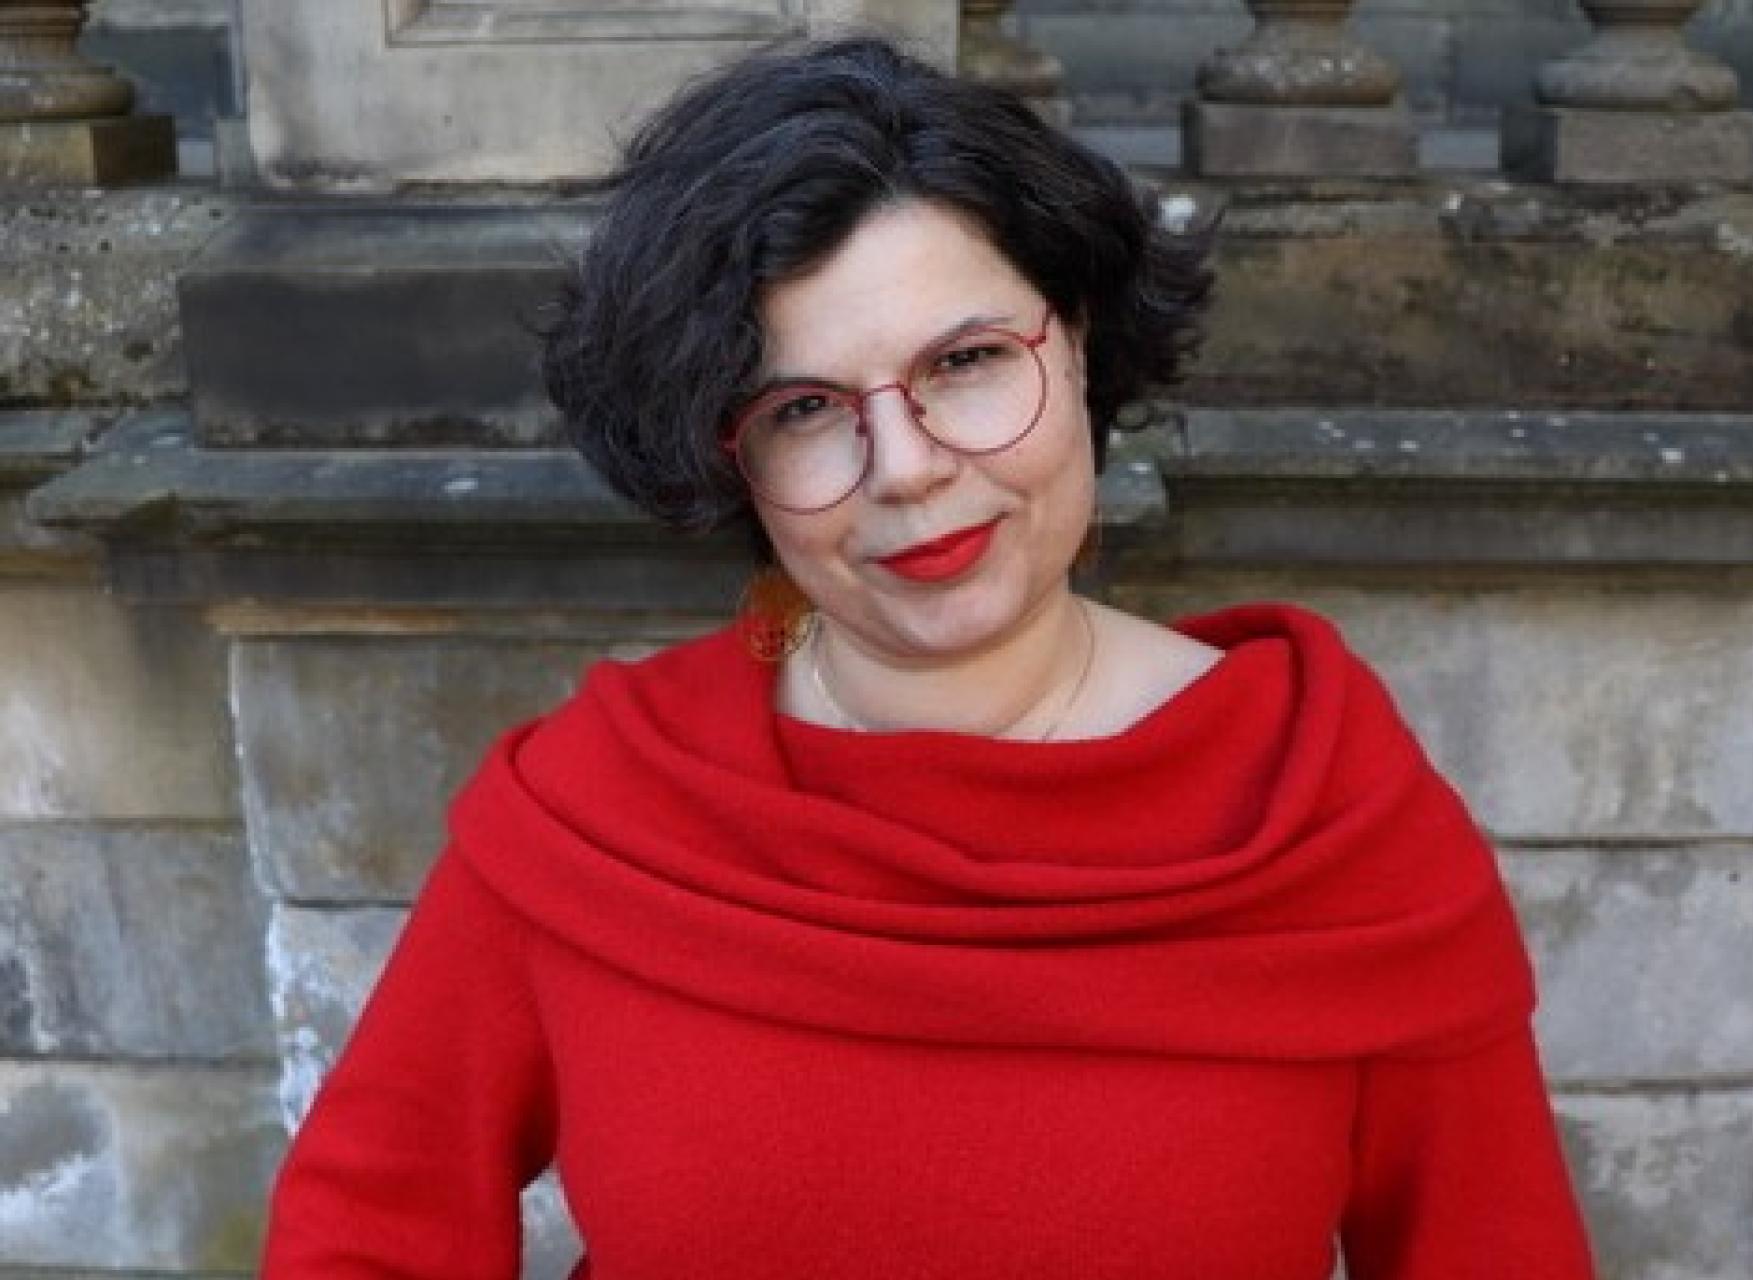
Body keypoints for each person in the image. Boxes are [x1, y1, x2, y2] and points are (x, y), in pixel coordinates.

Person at [261, 35, 1596, 1280]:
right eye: (804, 409)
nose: (906, 470)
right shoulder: (598, 810)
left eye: (963, 361)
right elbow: (363, 1234)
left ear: (1075, 340)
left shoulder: (1328, 818)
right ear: (727, 457)